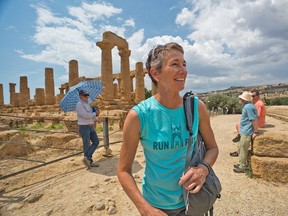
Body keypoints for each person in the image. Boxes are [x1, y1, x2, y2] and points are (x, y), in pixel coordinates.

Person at [117, 42, 219, 215]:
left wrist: (203, 168)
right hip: (156, 206)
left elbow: (213, 148)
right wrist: (145, 208)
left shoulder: (196, 107)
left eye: (184, 64)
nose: (184, 70)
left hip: (193, 202)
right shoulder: (139, 116)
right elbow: (123, 170)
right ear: (156, 73)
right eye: (175, 64)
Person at [233, 91, 258, 173]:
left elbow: (253, 120)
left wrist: (256, 131)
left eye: (240, 98)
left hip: (247, 131)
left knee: (243, 148)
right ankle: (241, 163)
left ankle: (242, 167)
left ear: (244, 100)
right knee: (241, 147)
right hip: (245, 130)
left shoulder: (248, 107)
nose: (239, 99)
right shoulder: (249, 106)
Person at [76, 90, 100, 169]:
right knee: (87, 144)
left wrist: (96, 117)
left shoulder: (88, 104)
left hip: (90, 126)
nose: (86, 96)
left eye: (87, 95)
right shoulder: (79, 105)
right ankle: (89, 161)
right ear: (80, 96)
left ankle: (87, 158)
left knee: (96, 141)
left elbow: (91, 116)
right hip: (84, 127)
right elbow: (85, 115)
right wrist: (94, 114)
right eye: (84, 95)